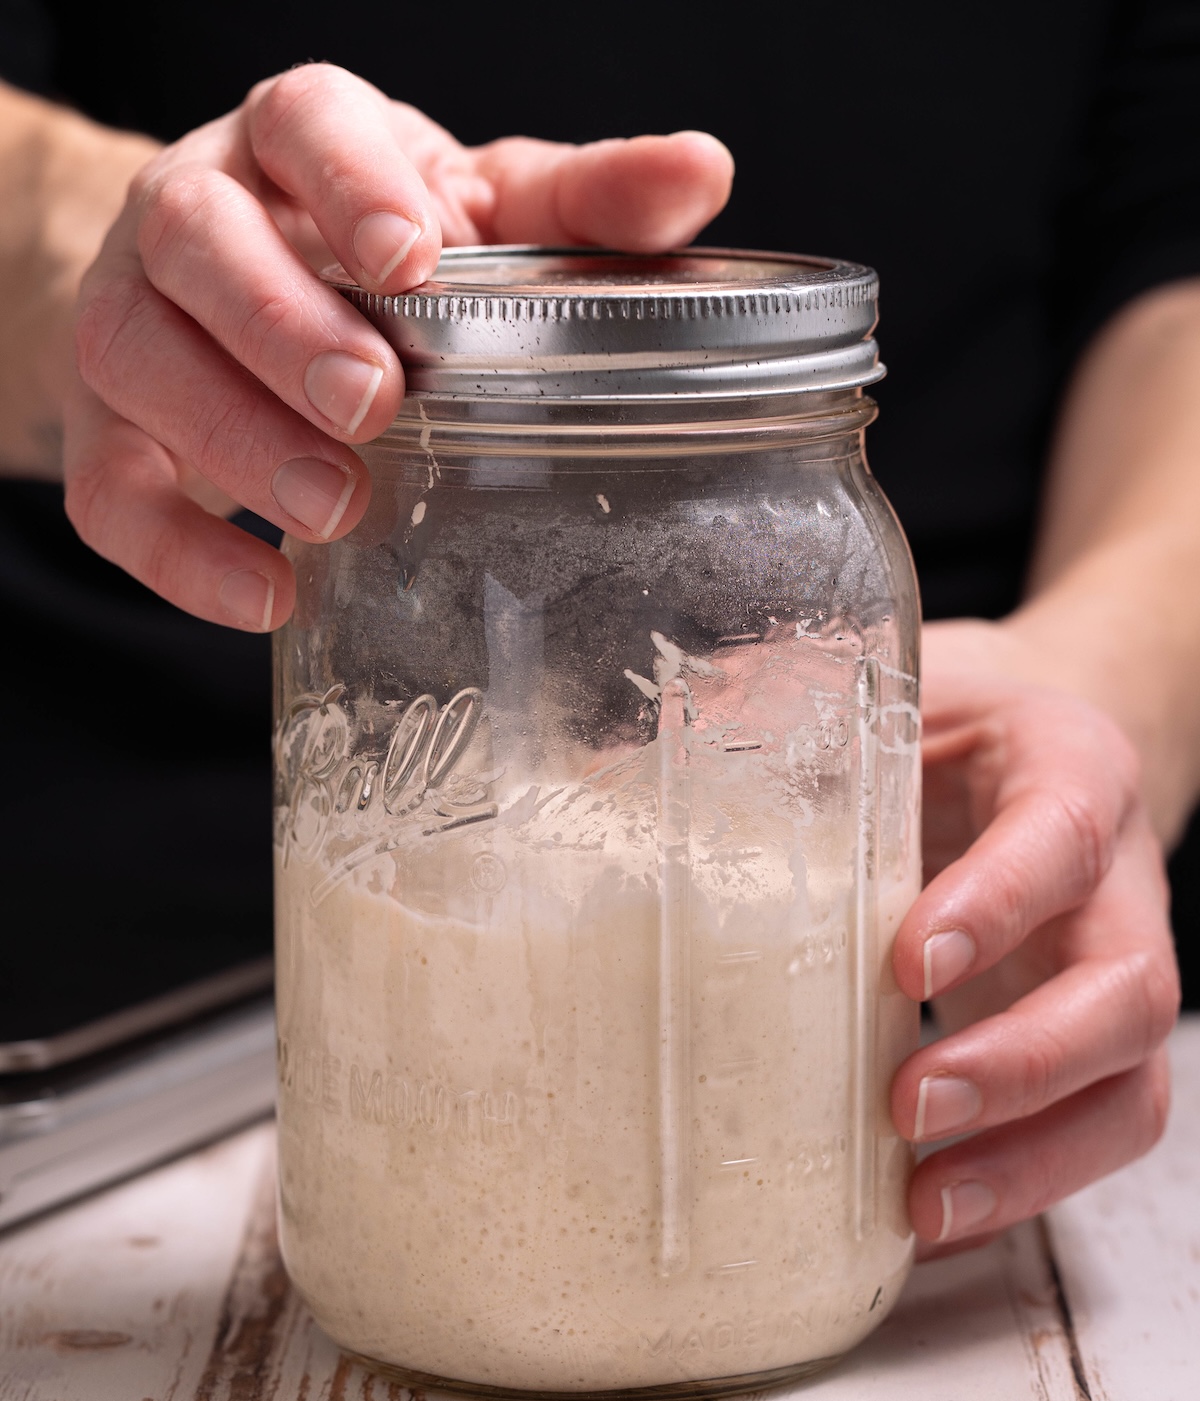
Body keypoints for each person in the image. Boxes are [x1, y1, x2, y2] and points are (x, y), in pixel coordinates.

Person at [1, 3, 1198, 1253]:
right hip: (75, 1030)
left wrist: (1099, 679)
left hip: (927, 798)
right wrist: (171, 274)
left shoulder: (836, 532)